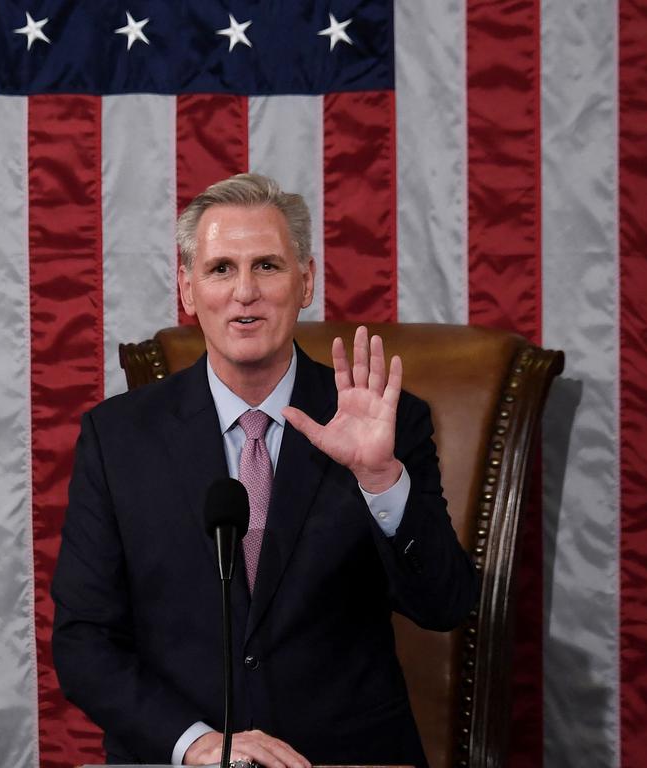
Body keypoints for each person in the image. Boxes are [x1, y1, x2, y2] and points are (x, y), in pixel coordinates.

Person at [51, 173, 477, 767]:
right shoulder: (117, 437)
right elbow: (84, 642)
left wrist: (380, 480)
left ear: (306, 281)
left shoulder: (386, 423)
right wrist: (194, 743)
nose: (244, 291)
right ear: (188, 288)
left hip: (342, 756)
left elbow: (445, 605)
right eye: (221, 268)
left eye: (268, 267)